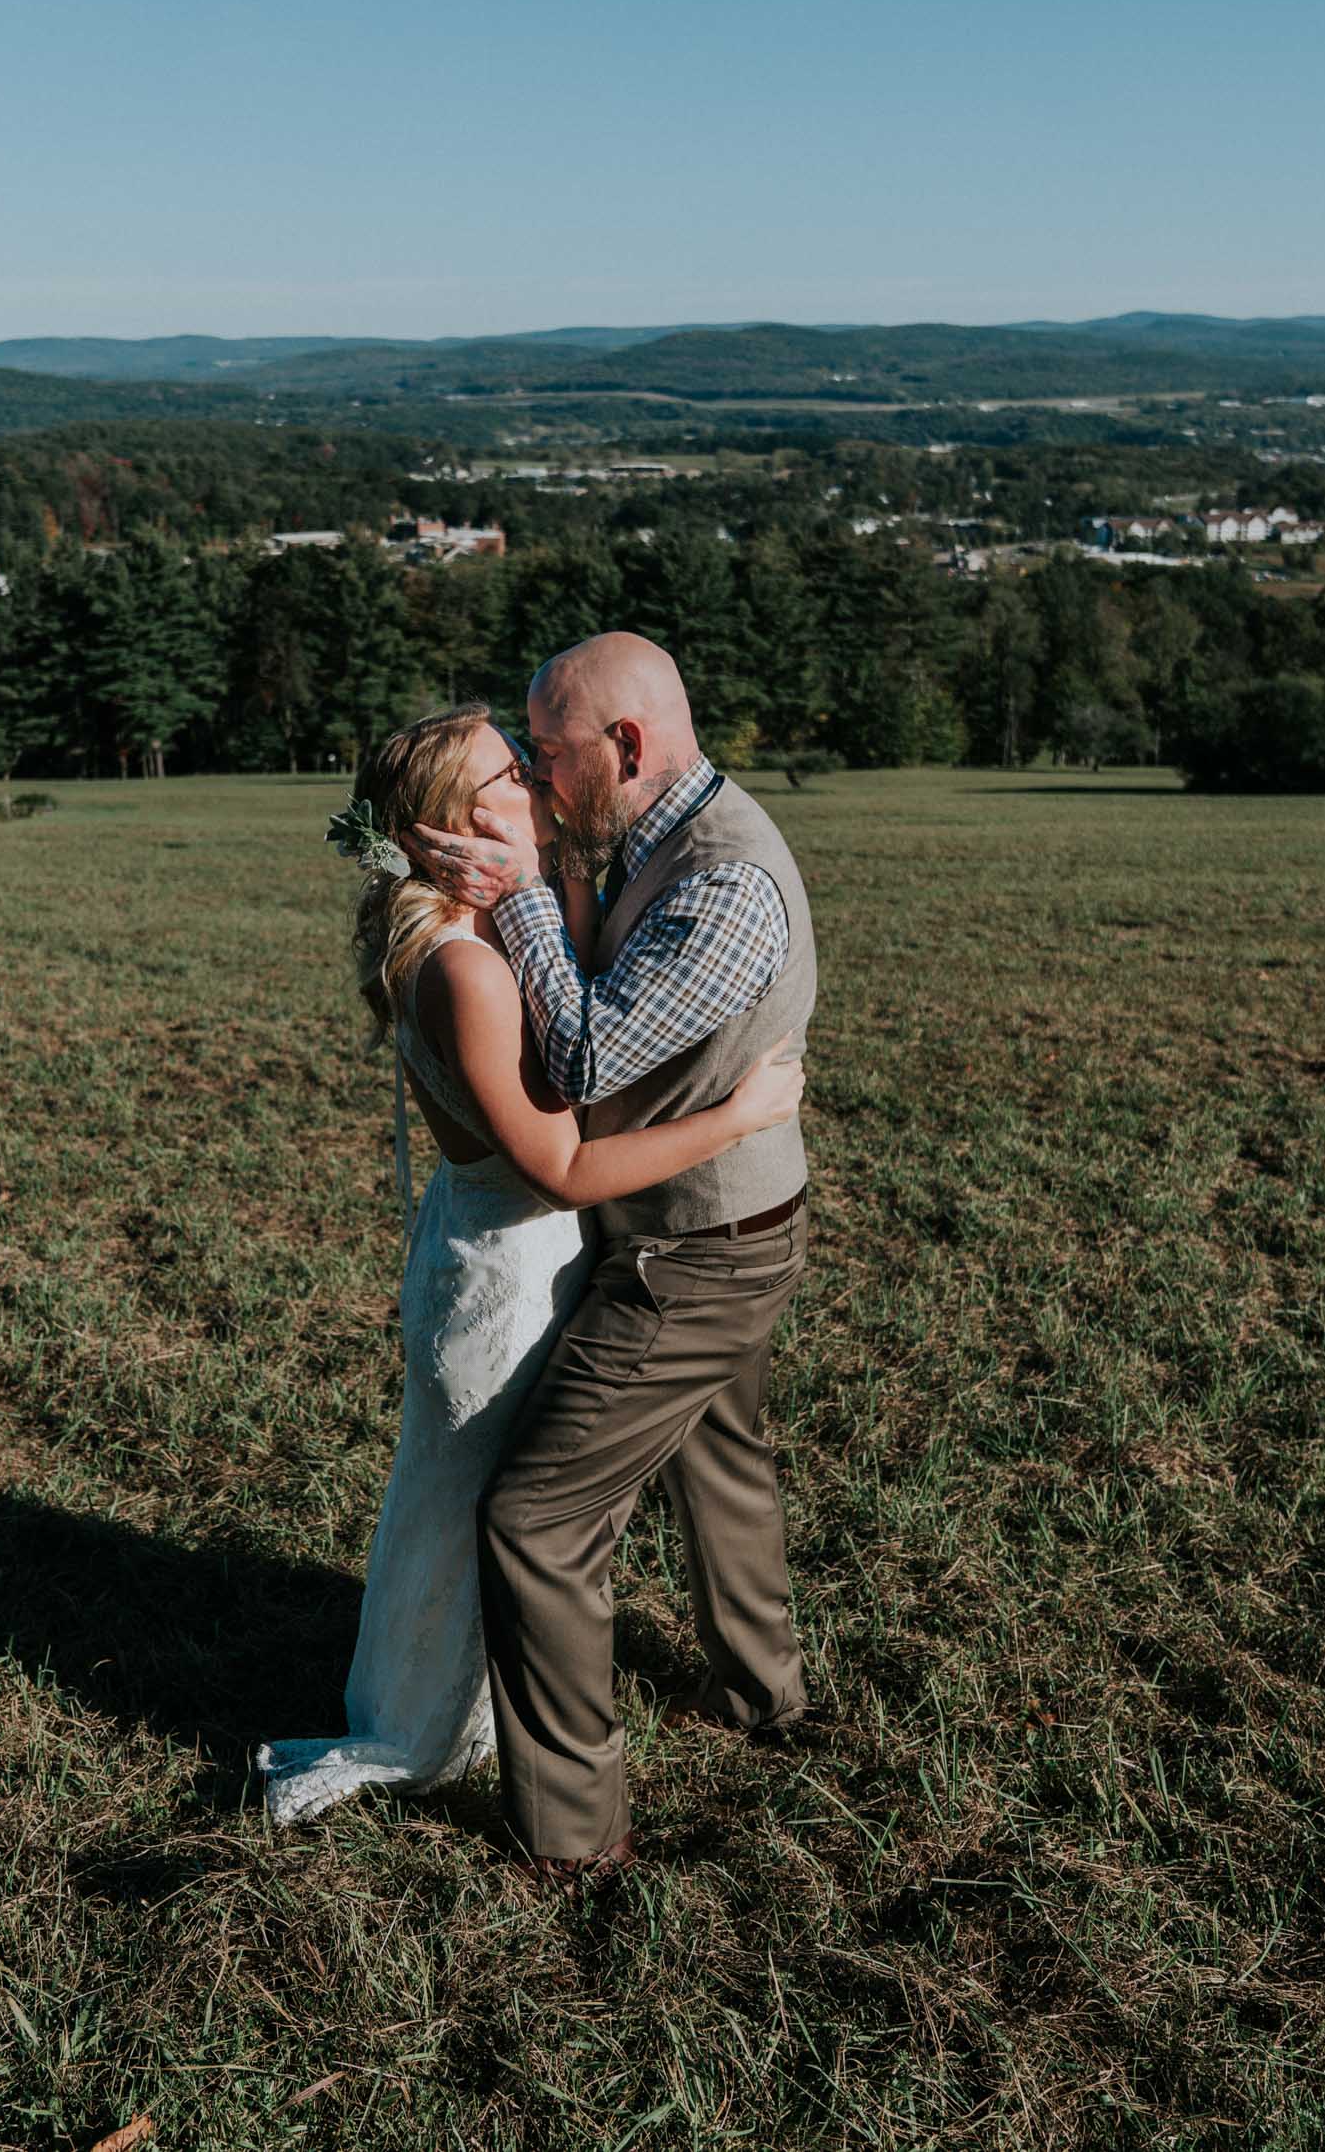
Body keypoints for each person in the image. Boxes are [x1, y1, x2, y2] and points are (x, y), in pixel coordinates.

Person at [258, 700, 803, 1828]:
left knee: (447, 1500)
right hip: (507, 1272)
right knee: (482, 1510)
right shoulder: (465, 967)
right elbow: (562, 1162)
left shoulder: (474, 935)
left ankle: (447, 1701)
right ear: (461, 820)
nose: (540, 779)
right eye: (514, 769)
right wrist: (739, 1116)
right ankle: (436, 1733)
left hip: (486, 1242)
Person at [408, 633, 818, 1887]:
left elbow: (591, 1057)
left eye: (551, 746)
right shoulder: (645, 840)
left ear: (627, 748)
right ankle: (765, 1695)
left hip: (698, 1254)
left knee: (535, 1519)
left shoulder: (727, 881)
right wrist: (546, 886)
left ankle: (576, 1836)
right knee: (724, 1459)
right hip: (714, 1226)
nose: (537, 768)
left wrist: (523, 889)